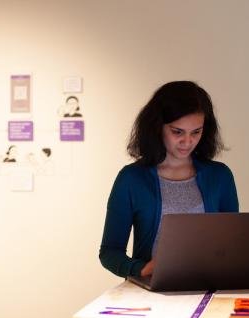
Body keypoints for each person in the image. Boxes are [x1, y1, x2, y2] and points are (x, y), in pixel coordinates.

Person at [99, 81, 239, 278]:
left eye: (196, 132)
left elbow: (231, 245)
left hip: (209, 288)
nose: (187, 141)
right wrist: (141, 269)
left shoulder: (220, 176)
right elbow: (109, 252)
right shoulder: (131, 179)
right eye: (177, 132)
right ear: (157, 127)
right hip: (151, 293)